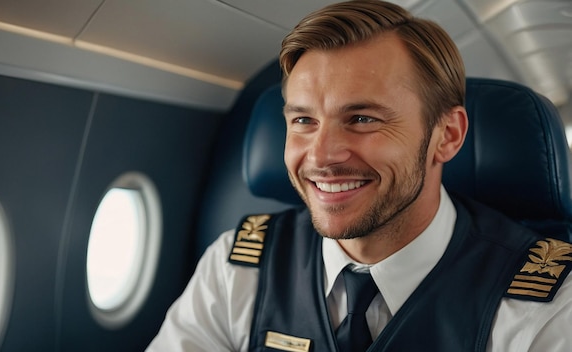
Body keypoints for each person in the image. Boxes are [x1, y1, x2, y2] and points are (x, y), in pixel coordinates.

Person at [147, 0, 572, 351]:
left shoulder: (546, 308)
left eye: (363, 118)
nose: (322, 155)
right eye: (303, 121)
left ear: (448, 135)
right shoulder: (236, 270)